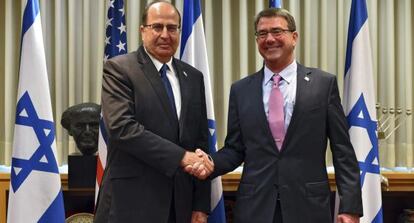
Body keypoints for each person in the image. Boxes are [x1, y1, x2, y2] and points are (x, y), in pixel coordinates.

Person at [190, 8, 363, 223]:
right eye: (262, 34)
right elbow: (235, 148)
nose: (269, 39)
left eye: (277, 31)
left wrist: (350, 207)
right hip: (255, 208)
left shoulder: (323, 85)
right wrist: (211, 163)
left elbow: (342, 151)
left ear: (294, 37)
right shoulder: (241, 90)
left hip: (308, 208)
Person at [94, 1, 211, 223]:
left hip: (180, 206)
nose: (165, 34)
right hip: (131, 204)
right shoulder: (120, 69)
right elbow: (122, 128)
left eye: (172, 27)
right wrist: (181, 157)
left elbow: (200, 141)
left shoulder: (193, 77)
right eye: (157, 27)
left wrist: (200, 206)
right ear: (143, 31)